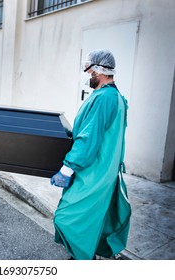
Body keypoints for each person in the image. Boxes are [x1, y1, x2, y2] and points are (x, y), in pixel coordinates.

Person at [50, 49, 131, 260]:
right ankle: (85, 257)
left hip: (94, 171)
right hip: (104, 169)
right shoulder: (116, 97)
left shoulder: (105, 98)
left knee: (67, 218)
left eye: (89, 71)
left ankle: (83, 259)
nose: (87, 76)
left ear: (99, 71)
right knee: (93, 218)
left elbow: (89, 138)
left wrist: (67, 169)